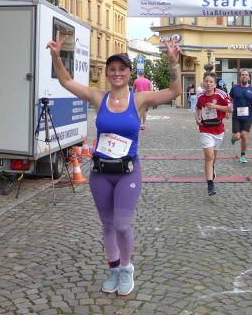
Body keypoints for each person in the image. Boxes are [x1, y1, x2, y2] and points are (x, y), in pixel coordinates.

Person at [46, 34, 181, 296]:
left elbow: (174, 91)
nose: (117, 73)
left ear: (129, 73)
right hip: (100, 172)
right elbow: (66, 81)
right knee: (107, 225)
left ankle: (127, 267)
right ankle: (114, 269)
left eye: (122, 69)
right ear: (107, 74)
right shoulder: (99, 98)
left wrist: (173, 62)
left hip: (127, 172)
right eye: (112, 69)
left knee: (121, 224)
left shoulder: (139, 100)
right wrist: (56, 56)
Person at [196, 72, 232, 196]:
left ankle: (212, 168)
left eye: (211, 82)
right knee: (209, 157)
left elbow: (230, 109)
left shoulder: (221, 94)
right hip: (205, 129)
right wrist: (197, 118)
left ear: (215, 84)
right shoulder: (200, 96)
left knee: (213, 157)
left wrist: (215, 106)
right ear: (203, 83)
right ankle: (210, 185)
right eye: (206, 81)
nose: (208, 84)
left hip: (218, 129)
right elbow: (198, 109)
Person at [230, 68, 252, 163]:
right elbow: (229, 99)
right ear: (240, 77)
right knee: (237, 137)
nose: (244, 76)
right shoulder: (235, 88)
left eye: (246, 75)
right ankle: (233, 138)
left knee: (244, 135)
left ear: (249, 78)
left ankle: (243, 155)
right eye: (242, 75)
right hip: (236, 116)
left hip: (248, 116)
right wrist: (228, 110)